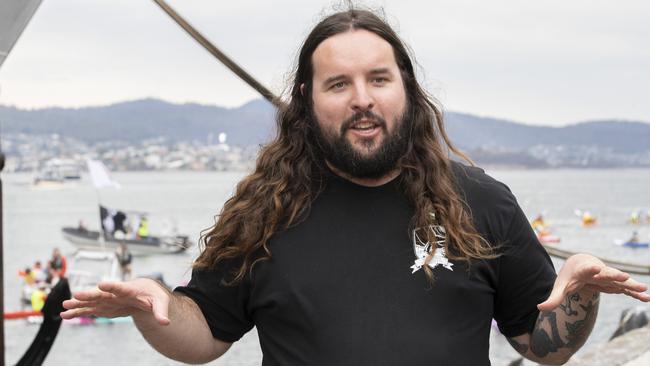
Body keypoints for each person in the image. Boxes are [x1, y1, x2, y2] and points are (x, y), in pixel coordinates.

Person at [61, 8, 650, 365]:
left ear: (408, 91)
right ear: (308, 103)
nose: (362, 98)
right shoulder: (266, 211)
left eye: (378, 78)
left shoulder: (482, 201)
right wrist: (152, 306)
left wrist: (578, 295)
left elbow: (544, 346)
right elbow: (206, 336)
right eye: (338, 83)